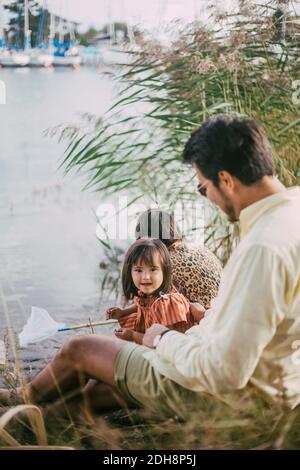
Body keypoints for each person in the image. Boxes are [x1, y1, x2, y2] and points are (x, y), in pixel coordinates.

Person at [0, 115, 299, 418]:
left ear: (225, 180)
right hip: (267, 384)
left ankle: (20, 397)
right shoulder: (292, 211)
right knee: (94, 394)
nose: (207, 197)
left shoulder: (264, 246)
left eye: (202, 187)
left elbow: (225, 372)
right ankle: (34, 417)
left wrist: (162, 338)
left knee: (81, 349)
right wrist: (206, 319)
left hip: (224, 395)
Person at [106, 238, 203, 344]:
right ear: (130, 273)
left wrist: (133, 335)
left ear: (164, 271)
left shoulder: (165, 303)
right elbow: (142, 305)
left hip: (173, 350)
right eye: (138, 270)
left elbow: (165, 342)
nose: (146, 277)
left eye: (153, 269)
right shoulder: (146, 293)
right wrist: (122, 312)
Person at [135, 209, 222, 309]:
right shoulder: (202, 249)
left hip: (199, 321)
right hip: (221, 313)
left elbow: (153, 306)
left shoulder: (164, 265)